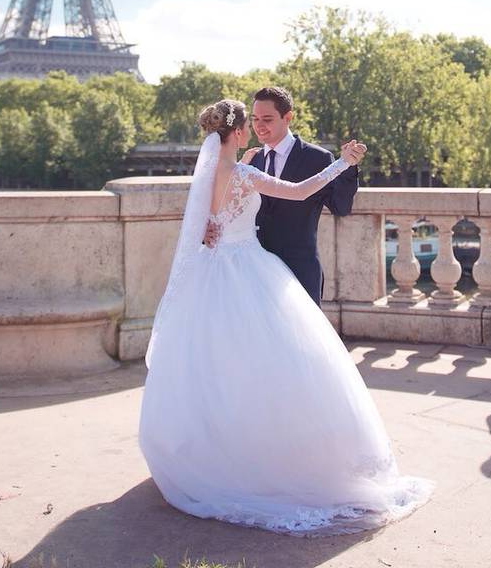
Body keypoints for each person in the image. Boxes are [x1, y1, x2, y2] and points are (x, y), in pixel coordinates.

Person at [139, 99, 432, 537]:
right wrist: (343, 162)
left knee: (218, 370)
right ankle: (273, 458)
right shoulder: (244, 172)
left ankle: (219, 457)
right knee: (279, 369)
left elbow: (201, 225)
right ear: (238, 132)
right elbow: (299, 191)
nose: (255, 130)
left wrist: (210, 228)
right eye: (250, 124)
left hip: (211, 275)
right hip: (250, 271)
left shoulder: (206, 177)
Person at [205, 86, 361, 305]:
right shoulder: (250, 161)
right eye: (255, 119)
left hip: (300, 271)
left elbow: (341, 208)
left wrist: (349, 167)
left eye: (267, 119)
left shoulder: (318, 158)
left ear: (288, 117)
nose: (259, 126)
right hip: (252, 274)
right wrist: (207, 226)